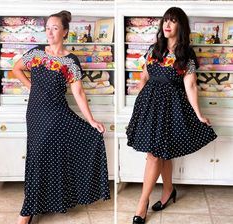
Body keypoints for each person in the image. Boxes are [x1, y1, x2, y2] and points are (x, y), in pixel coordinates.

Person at [13, 10, 110, 224]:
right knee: (37, 155)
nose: (49, 32)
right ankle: (28, 209)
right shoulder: (37, 53)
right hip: (37, 113)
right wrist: (32, 87)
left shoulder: (70, 61)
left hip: (58, 113)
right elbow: (16, 69)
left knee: (56, 153)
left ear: (65, 32)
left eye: (55, 28)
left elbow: (79, 93)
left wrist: (92, 120)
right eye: (47, 28)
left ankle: (42, 204)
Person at [126, 7, 217, 224]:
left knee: (156, 154)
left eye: (173, 21)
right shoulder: (153, 49)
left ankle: (142, 202)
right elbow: (145, 74)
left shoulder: (185, 54)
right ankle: (168, 191)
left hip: (171, 107)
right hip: (149, 106)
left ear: (180, 26)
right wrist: (139, 84)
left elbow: (191, 85)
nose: (167, 25)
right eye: (165, 20)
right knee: (159, 153)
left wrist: (198, 114)